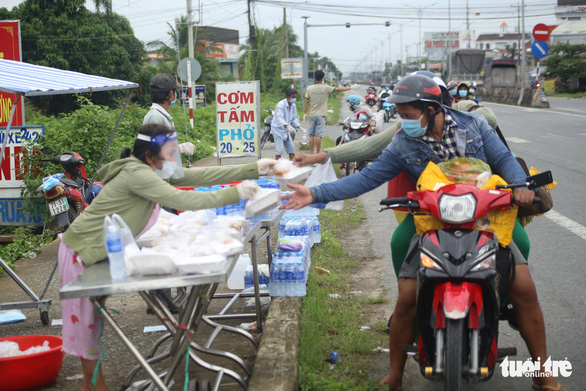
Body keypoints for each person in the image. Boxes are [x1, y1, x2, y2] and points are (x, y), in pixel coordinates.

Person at [283, 75, 564, 391]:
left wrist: (522, 188)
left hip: (485, 214)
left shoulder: (474, 125)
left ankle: (543, 372)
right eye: (400, 114)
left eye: (407, 114)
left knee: (524, 286)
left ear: (432, 109)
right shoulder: (403, 141)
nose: (403, 121)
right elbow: (366, 179)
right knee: (405, 294)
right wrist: (315, 194)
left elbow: (504, 160)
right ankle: (395, 372)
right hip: (430, 218)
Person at [58, 123, 277, 391]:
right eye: (170, 154)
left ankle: (97, 384)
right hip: (80, 251)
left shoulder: (149, 168)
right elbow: (184, 200)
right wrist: (237, 192)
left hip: (101, 250)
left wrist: (253, 169)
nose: (174, 160)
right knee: (87, 327)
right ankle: (94, 386)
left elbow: (201, 176)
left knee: (94, 321)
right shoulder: (139, 175)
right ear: (151, 156)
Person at [303, 70, 359, 154]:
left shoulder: (309, 88)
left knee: (311, 135)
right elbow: (339, 89)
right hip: (321, 115)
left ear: (314, 77)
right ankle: (318, 153)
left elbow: (307, 101)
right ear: (322, 78)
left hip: (312, 114)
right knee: (319, 135)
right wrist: (351, 87)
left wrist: (304, 113)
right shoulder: (326, 88)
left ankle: (311, 154)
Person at [143, 73, 195, 156]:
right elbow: (157, 150)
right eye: (175, 92)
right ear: (170, 94)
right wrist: (180, 148)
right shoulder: (156, 117)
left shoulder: (160, 115)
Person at [271, 88, 301, 161]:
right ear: (288, 97)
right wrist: (287, 126)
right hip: (278, 130)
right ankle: (278, 168)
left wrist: (299, 126)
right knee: (279, 151)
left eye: (295, 97)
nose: (294, 98)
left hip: (286, 130)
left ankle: (294, 167)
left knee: (291, 150)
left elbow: (294, 118)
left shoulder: (293, 105)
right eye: (293, 97)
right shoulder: (280, 105)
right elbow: (279, 118)